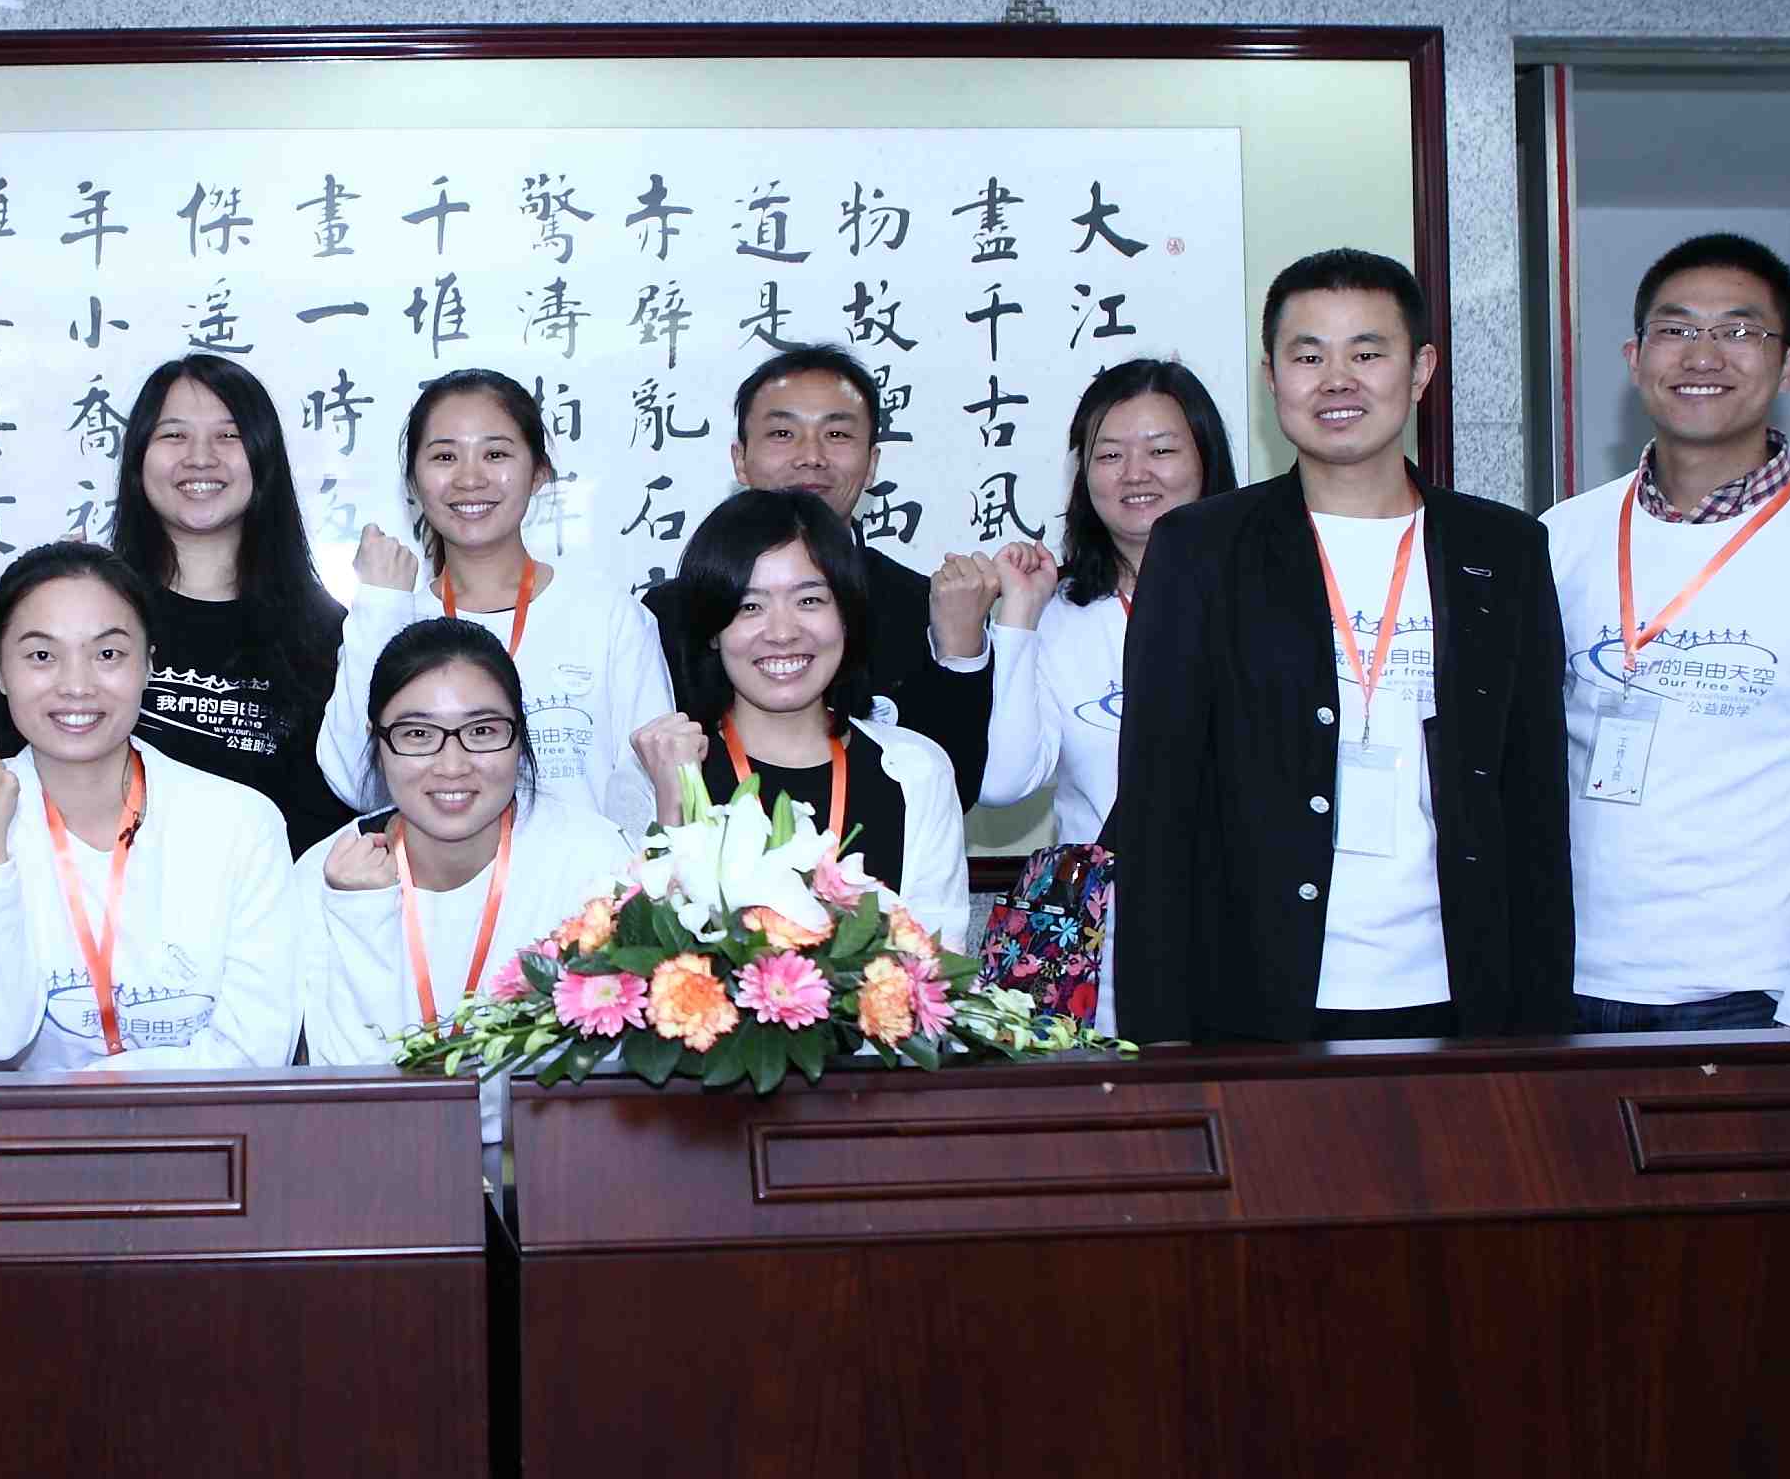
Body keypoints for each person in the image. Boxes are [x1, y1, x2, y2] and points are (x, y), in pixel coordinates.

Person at [1110, 249, 1571, 1043]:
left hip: (1464, 993)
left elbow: (1533, 804)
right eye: (1307, 356)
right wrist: (1160, 1034)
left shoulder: (1503, 550)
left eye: (1366, 353)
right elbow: (1156, 807)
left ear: (1419, 370)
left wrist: (1541, 1026)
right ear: (1271, 377)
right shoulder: (1198, 549)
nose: (1336, 381)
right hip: (1252, 997)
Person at [1546, 233, 1790, 1030]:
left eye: (1739, 331)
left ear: (1788, 365)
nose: (1702, 355)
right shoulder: (1558, 538)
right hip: (1558, 979)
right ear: (1634, 358)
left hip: (1746, 997)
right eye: (1675, 329)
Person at [0, 544, 299, 1073]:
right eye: (42, 656)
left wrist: (88, 1093)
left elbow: (257, 1052)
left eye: (108, 654)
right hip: (15, 1129)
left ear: (149, 663)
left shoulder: (241, 822)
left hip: (199, 1124)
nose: (77, 686)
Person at [643, 344, 1000, 804]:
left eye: (836, 434)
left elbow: (953, 793)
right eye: (782, 433)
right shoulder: (673, 611)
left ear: (872, 463)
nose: (811, 456)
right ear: (740, 459)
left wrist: (960, 653)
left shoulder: (921, 604)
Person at [319, 370, 671, 835]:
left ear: (539, 472)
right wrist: (379, 610)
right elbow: (357, 785)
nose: (469, 478)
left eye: (495, 454)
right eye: (445, 456)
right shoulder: (392, 619)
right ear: (413, 480)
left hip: (587, 880)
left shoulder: (607, 617)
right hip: (440, 881)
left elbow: (654, 786)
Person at [628, 489, 974, 951]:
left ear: (846, 616)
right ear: (712, 630)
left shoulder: (915, 770)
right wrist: (672, 806)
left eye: (809, 601)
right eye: (749, 606)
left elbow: (941, 964)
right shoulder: (660, 768)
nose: (782, 632)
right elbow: (633, 959)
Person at [296, 618, 641, 1066]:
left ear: (520, 736)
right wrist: (360, 914)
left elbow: (612, 1065)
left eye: (482, 731)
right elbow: (345, 1079)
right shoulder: (325, 874)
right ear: (375, 741)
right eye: (417, 735)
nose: (452, 765)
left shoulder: (595, 861)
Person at [986, 358, 1241, 838]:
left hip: (1243, 885)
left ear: (1206, 459)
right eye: (1109, 456)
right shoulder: (1060, 613)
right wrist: (1020, 615)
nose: (1135, 474)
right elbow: (1003, 784)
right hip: (1109, 886)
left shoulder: (1263, 595)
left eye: (1161, 450)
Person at [110, 353, 353, 852]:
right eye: (174, 435)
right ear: (138, 459)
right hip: (109, 894)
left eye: (228, 435)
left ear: (264, 458)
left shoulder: (330, 636)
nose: (200, 457)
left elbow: (337, 817)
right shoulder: (96, 617)